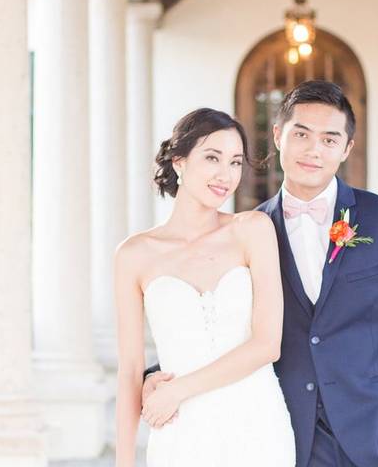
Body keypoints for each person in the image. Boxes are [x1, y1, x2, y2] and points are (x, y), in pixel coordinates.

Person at [143, 81, 378, 467]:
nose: (313, 150)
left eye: (329, 139)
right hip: (288, 437)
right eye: (301, 134)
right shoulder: (247, 231)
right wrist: (156, 375)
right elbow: (224, 322)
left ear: (346, 148)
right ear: (277, 136)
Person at [113, 108, 296, 467]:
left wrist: (177, 390)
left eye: (235, 162)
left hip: (257, 425)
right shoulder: (133, 255)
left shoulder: (253, 230)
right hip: (181, 431)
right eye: (212, 157)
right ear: (179, 162)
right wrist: (123, 461)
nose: (225, 175)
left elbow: (267, 345)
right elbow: (131, 370)